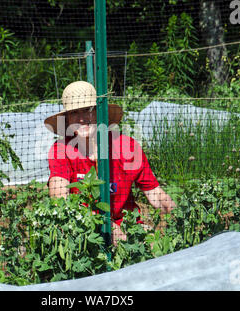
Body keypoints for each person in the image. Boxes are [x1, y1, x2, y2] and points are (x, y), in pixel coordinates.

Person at [44, 81, 176, 244]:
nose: (82, 118)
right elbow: (60, 201)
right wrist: (105, 224)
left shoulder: (127, 147)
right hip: (82, 230)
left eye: (88, 110)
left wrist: (177, 213)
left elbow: (154, 193)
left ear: (100, 113)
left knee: (152, 244)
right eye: (74, 112)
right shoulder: (61, 150)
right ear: (68, 119)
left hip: (127, 226)